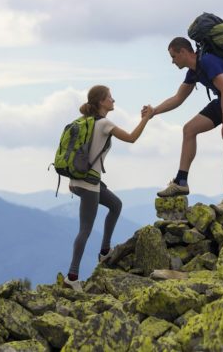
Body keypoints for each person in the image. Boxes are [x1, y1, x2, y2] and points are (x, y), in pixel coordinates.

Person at [148, 36, 223, 216]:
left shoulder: (207, 62)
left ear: (183, 52)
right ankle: (181, 182)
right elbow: (178, 98)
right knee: (189, 129)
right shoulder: (193, 71)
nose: (172, 62)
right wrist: (154, 111)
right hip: (222, 101)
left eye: (173, 57)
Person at [65, 85, 152, 291]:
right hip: (88, 185)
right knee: (85, 230)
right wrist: (146, 119)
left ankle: (105, 251)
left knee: (115, 204)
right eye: (110, 98)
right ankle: (72, 276)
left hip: (78, 181)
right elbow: (131, 138)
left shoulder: (84, 122)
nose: (113, 100)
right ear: (101, 102)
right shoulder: (103, 123)